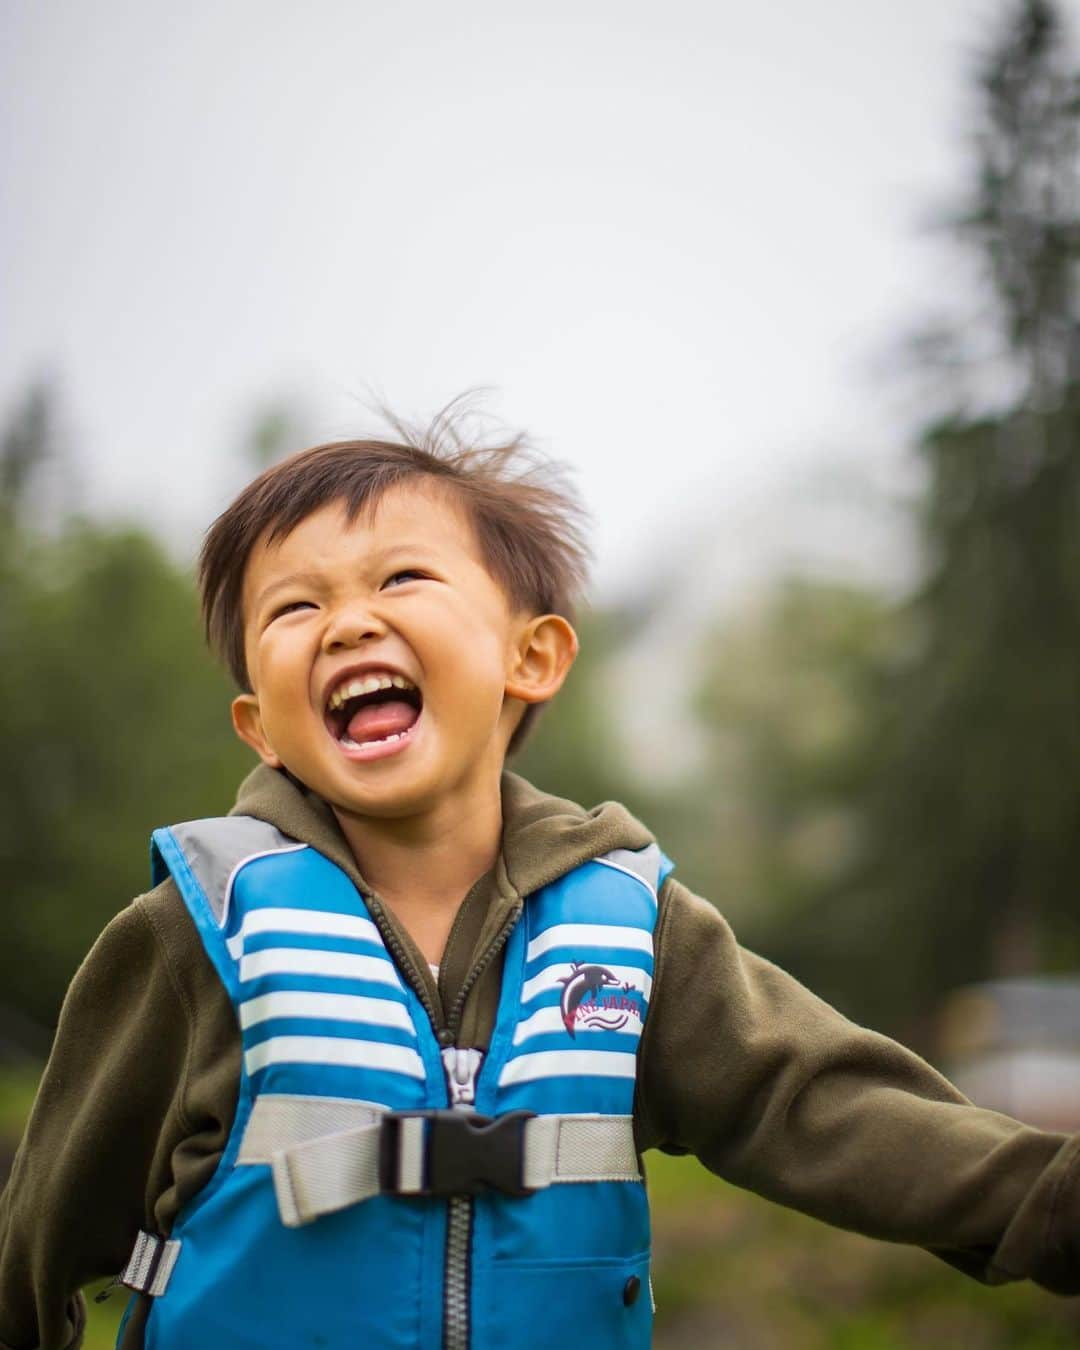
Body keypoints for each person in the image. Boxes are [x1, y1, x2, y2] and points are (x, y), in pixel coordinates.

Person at [0, 419, 1077, 1350]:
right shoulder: (193, 934)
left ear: (534, 658)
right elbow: (38, 1238)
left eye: (400, 579)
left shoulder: (634, 926)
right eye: (291, 609)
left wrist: (1050, 1201)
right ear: (261, 729)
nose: (347, 621)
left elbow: (827, 1108)